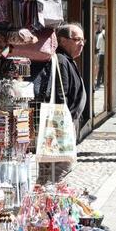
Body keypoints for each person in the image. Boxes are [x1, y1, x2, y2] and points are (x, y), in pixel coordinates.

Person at [31, 23, 88, 183]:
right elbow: (59, 94)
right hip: (58, 125)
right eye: (77, 39)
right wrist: (64, 123)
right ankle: (47, 199)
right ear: (62, 40)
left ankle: (46, 197)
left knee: (54, 169)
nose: (82, 44)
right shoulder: (61, 61)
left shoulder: (67, 60)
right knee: (59, 168)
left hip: (63, 123)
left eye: (83, 40)